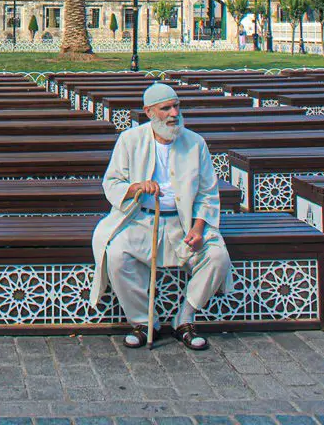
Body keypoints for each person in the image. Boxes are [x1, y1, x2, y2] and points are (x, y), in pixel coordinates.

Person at [90, 82, 231, 351]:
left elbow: (208, 193)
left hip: (183, 224)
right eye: (165, 108)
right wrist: (137, 187)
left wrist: (198, 229)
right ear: (149, 112)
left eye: (176, 106)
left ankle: (184, 319)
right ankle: (144, 322)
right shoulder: (129, 140)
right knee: (116, 256)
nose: (174, 113)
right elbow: (112, 183)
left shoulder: (195, 143)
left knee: (217, 257)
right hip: (141, 220)